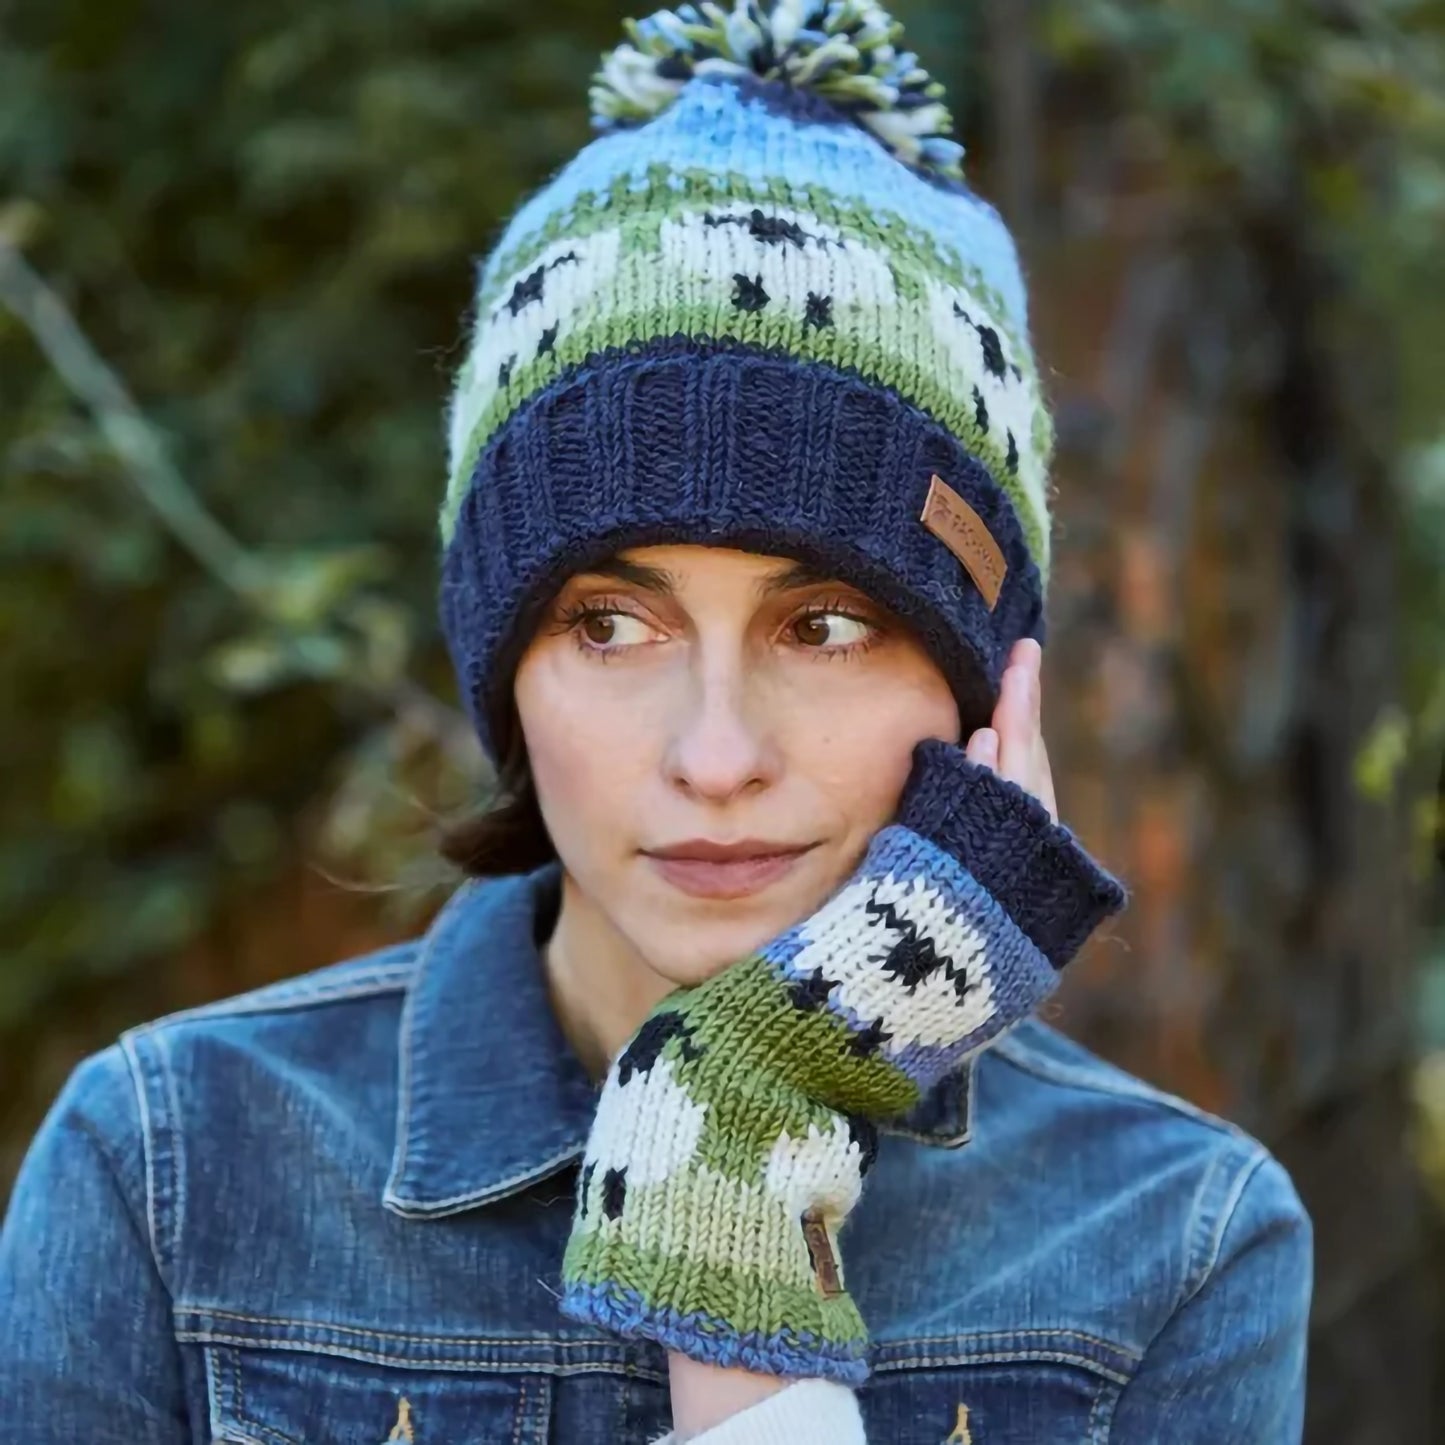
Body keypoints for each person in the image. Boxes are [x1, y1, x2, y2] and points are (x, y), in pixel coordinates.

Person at [0, 3, 1313, 1441]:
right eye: (607, 627)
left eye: (824, 625)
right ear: (501, 669)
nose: (713, 755)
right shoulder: (172, 1167)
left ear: (986, 681)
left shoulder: (1172, 1239)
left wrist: (736, 1135)